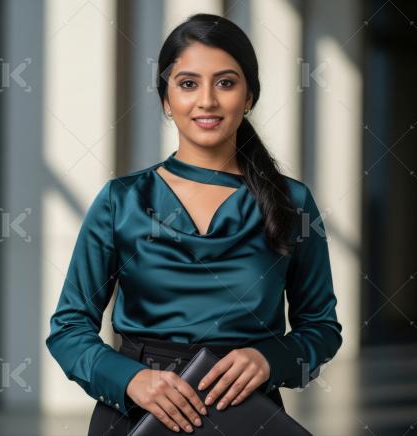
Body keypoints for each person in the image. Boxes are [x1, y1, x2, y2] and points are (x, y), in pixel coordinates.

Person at [45, 13, 343, 435]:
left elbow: (321, 329)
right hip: (136, 416)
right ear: (166, 100)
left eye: (225, 82)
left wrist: (270, 359)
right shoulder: (122, 201)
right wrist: (130, 379)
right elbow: (68, 329)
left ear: (250, 96)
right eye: (188, 84)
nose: (207, 100)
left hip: (245, 415)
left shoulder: (292, 203)